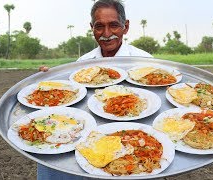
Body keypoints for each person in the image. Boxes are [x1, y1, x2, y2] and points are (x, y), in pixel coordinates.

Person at [37, 0, 152, 179]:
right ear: (92, 28)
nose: (106, 34)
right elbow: (71, 96)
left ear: (125, 26)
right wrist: (49, 79)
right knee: (49, 162)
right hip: (91, 132)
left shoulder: (144, 61)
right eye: (99, 27)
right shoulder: (84, 63)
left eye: (114, 25)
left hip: (130, 134)